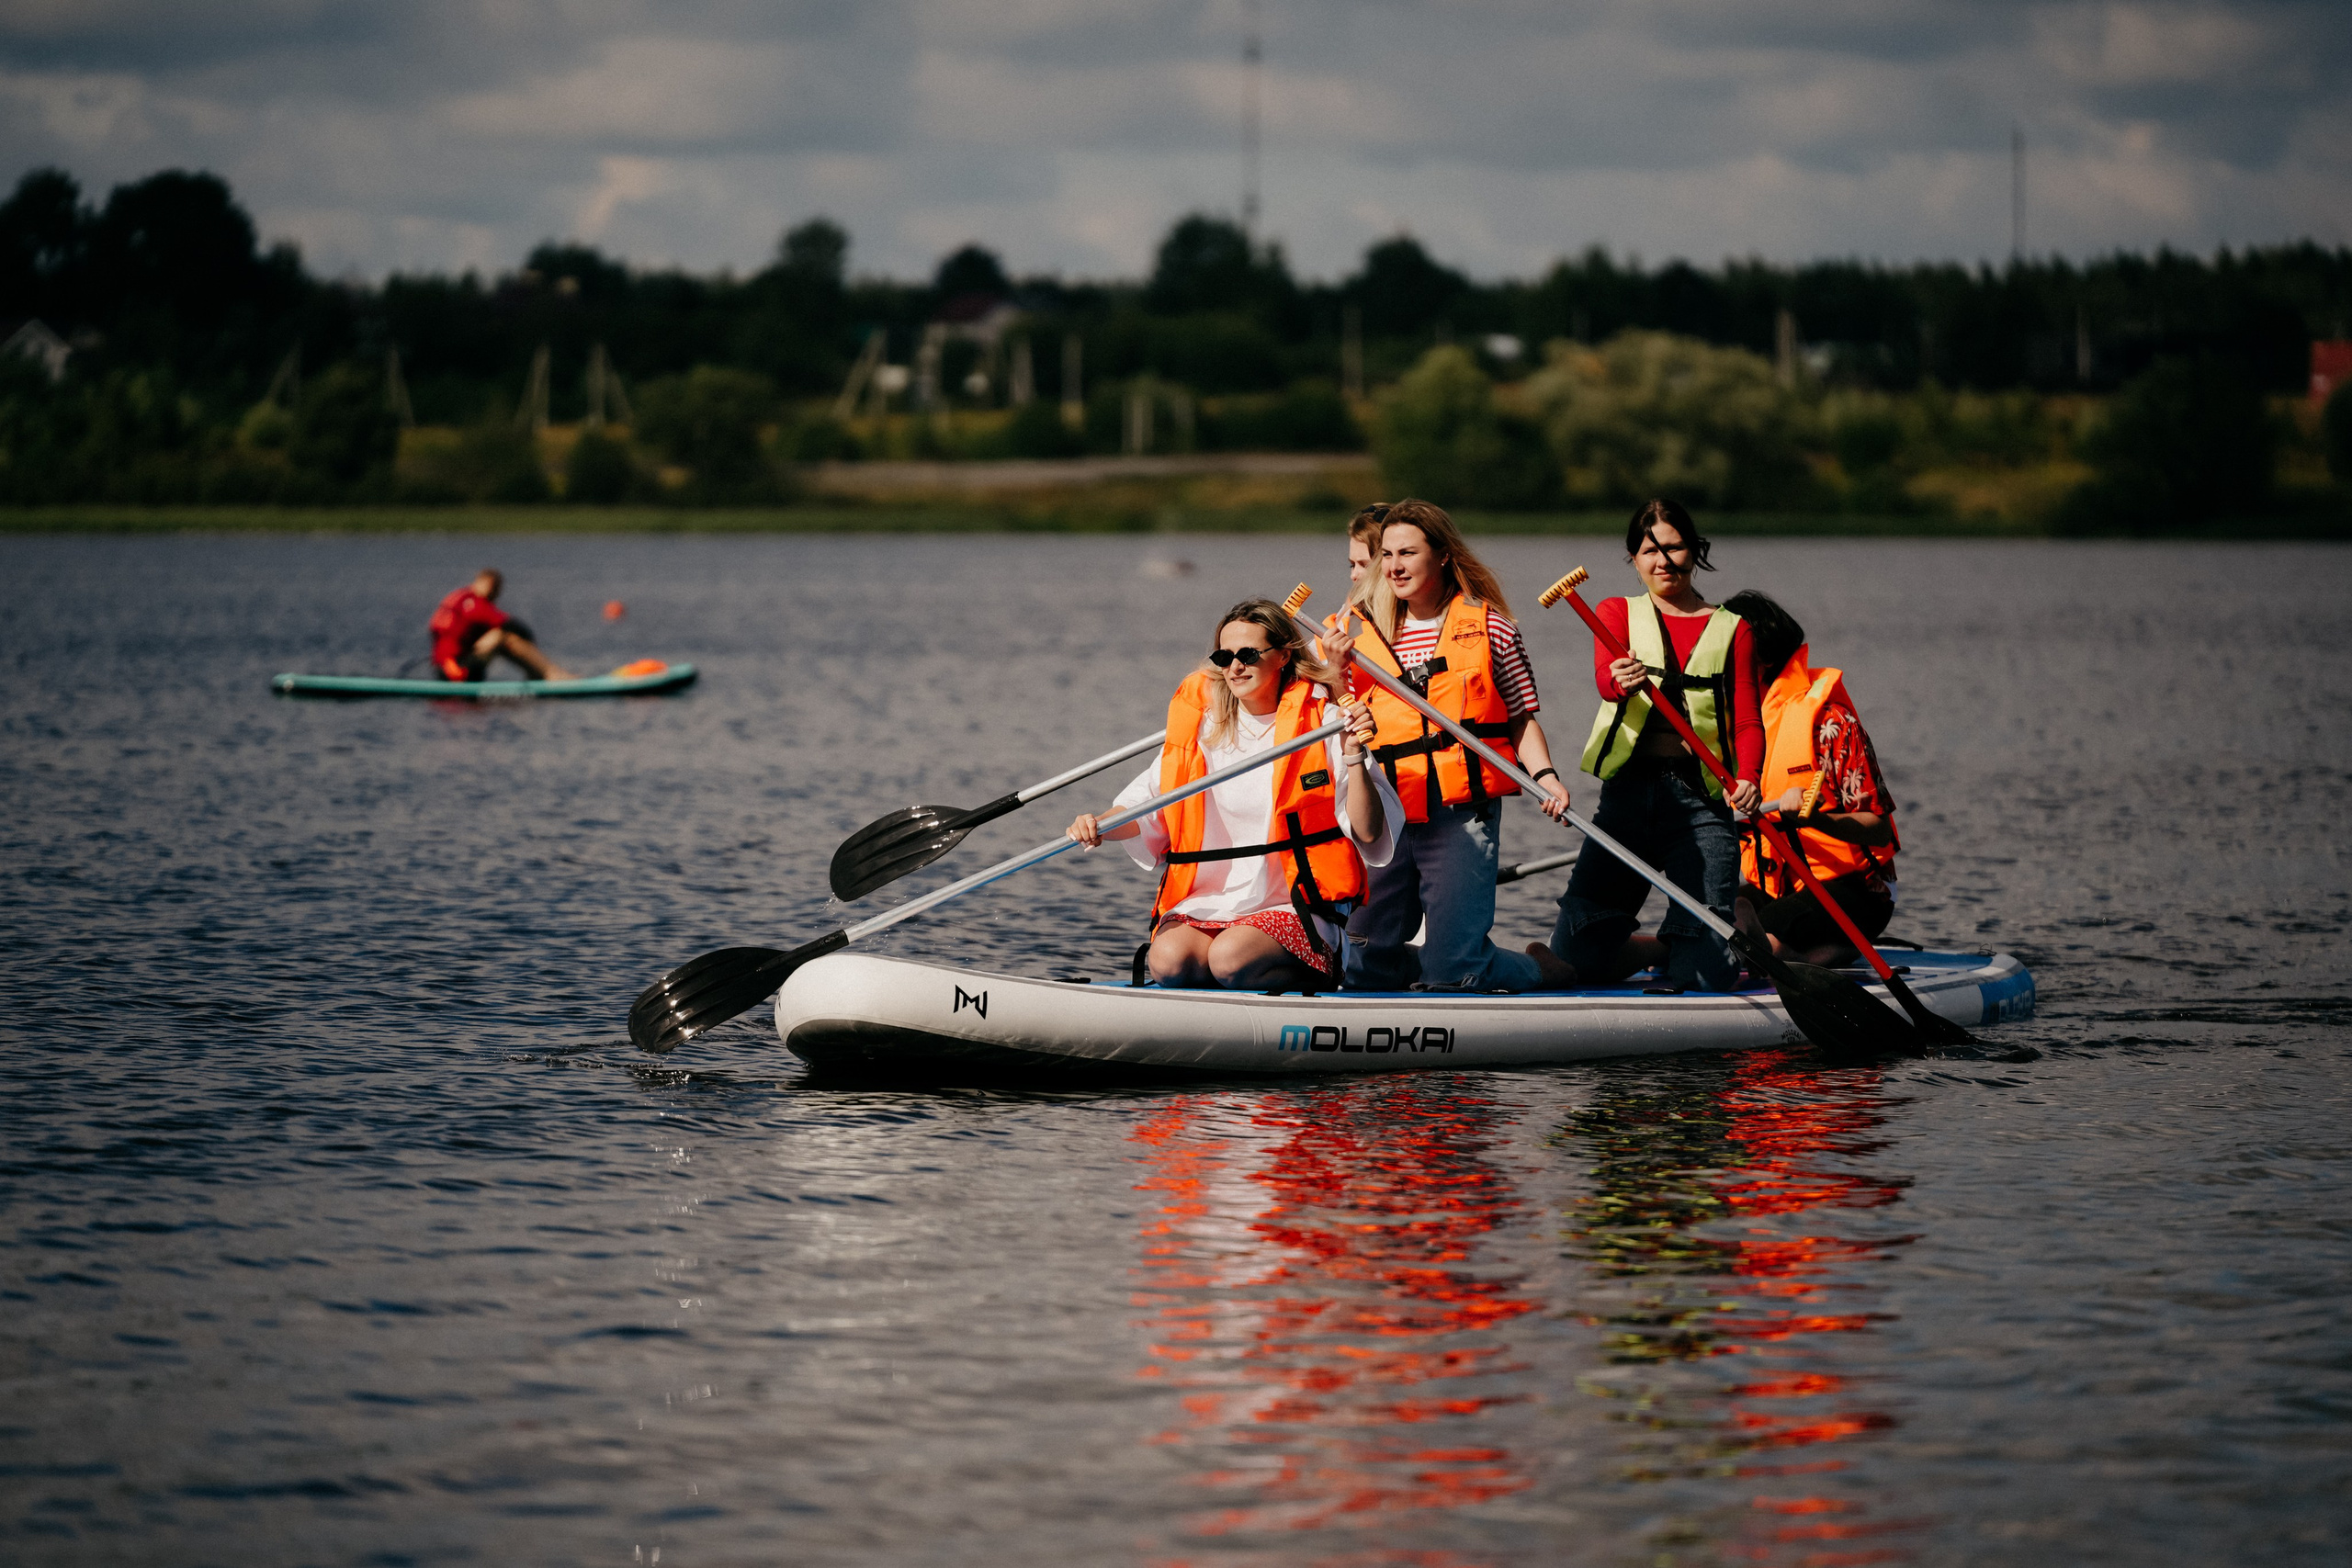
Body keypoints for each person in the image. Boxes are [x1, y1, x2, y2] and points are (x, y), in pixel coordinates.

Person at [1069, 599, 1397, 990]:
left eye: (1248, 655)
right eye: (1224, 657)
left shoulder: (1323, 722)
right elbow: (1144, 807)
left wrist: (1353, 754)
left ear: (1283, 656)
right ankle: (1221, 996)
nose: (1235, 667)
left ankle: (1322, 973)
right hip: (1211, 901)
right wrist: (1098, 825)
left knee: (1230, 957)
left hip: (1292, 903)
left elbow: (1369, 832)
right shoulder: (1203, 729)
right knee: (1168, 961)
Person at [1336, 500, 1576, 992]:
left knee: (1454, 973)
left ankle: (1538, 968)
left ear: (1443, 555)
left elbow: (1520, 717)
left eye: (1408, 553)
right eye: (1387, 554)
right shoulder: (1358, 633)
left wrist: (1546, 776)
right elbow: (1337, 717)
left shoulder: (1492, 626)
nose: (1394, 566)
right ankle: (1416, 972)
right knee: (1362, 963)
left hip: (1460, 810)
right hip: (1386, 808)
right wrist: (1336, 673)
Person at [1532, 500, 1763, 992]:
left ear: (1694, 550)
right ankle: (1669, 944)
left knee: (1703, 978)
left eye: (1674, 547)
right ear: (1634, 559)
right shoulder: (1615, 612)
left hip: (1701, 804)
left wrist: (1749, 777)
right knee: (1577, 960)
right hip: (1627, 800)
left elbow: (1747, 719)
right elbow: (1606, 680)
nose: (1663, 561)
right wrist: (1620, 679)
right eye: (1649, 551)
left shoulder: (1734, 628)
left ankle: (1730, 931)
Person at [1722, 590, 1901, 967]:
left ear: (1763, 659)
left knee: (1756, 937)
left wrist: (1816, 819)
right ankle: (1779, 950)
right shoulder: (1730, 728)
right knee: (1712, 920)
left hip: (1856, 889)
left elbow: (1879, 830)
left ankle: (1803, 953)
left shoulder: (1830, 722)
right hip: (1777, 888)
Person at [428, 569, 574, 682]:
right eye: (495, 589)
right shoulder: (474, 604)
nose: (495, 595)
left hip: (443, 667)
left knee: (494, 634)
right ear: (486, 584)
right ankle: (550, 674)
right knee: (502, 636)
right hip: (456, 671)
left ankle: (541, 674)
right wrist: (530, 644)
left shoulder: (458, 596)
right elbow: (512, 625)